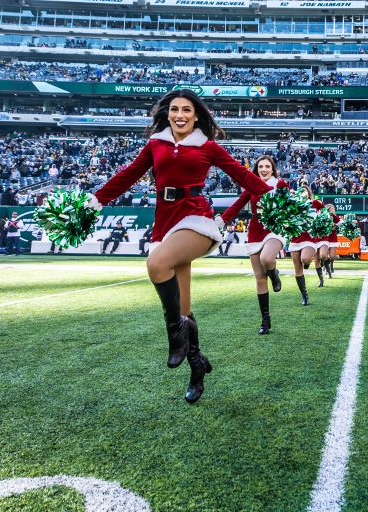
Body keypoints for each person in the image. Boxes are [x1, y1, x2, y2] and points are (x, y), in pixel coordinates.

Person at [89, 89, 271, 404]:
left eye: (187, 110)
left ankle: (175, 337)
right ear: (168, 113)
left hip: (196, 219)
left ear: (196, 115)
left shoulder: (208, 146)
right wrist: (94, 201)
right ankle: (196, 365)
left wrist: (282, 197)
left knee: (156, 264)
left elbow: (243, 176)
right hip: (165, 222)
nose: (180, 115)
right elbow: (128, 176)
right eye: (175, 109)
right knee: (185, 307)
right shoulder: (155, 144)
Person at [218, 154, 290, 335]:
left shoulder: (280, 185)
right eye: (260, 167)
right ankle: (265, 320)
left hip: (275, 229)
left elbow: (292, 205)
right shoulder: (251, 185)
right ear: (257, 169)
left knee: (267, 259)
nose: (264, 170)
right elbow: (237, 205)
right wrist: (221, 221)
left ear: (273, 169)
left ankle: (274, 273)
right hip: (255, 231)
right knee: (259, 277)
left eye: (267, 166)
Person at [285, 181, 325, 304]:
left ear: (309, 193)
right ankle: (304, 295)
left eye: (305, 190)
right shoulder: (293, 205)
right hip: (295, 238)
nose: (302, 192)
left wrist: (321, 223)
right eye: (300, 191)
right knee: (298, 269)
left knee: (305, 259)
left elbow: (325, 215)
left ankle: (308, 261)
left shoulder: (315, 203)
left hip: (310, 238)